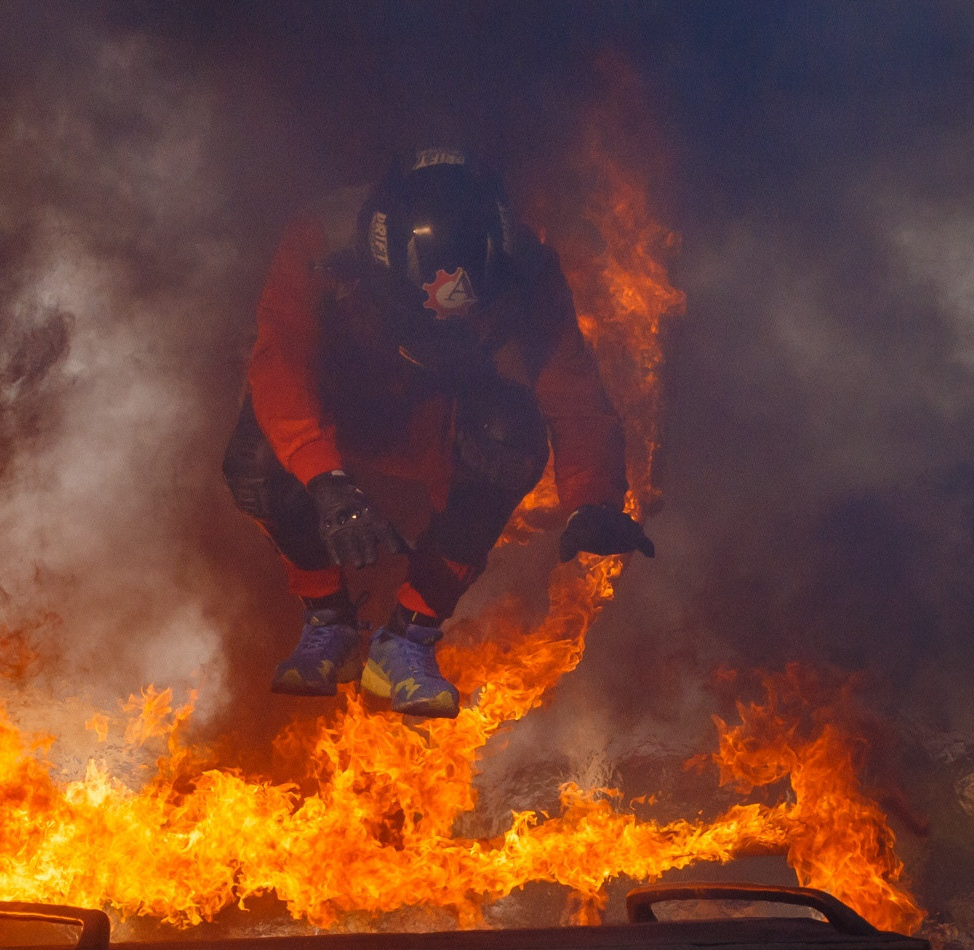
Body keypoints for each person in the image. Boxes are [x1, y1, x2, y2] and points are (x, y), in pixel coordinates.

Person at [222, 148, 653, 718]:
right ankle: (328, 621)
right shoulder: (321, 245)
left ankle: (407, 640)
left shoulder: (523, 264)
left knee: (509, 437)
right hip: (335, 412)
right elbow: (281, 365)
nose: (439, 325)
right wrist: (325, 480)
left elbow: (569, 382)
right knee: (254, 463)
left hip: (435, 418)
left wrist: (593, 498)